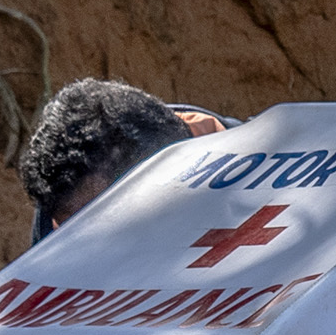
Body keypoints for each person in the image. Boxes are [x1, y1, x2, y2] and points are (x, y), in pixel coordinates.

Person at [17, 77, 219, 241]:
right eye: (76, 232)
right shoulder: (58, 219)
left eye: (106, 222)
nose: (94, 246)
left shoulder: (245, 183)